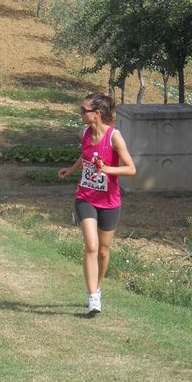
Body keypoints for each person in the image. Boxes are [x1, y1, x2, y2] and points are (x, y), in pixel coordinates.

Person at [58, 93, 136, 314]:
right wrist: (72, 170)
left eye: (84, 110)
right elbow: (85, 156)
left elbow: (131, 168)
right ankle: (93, 296)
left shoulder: (114, 137)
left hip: (110, 201)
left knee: (103, 250)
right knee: (91, 246)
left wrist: (107, 170)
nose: (81, 113)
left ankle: (98, 288)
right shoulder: (84, 133)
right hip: (86, 197)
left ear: (97, 113)